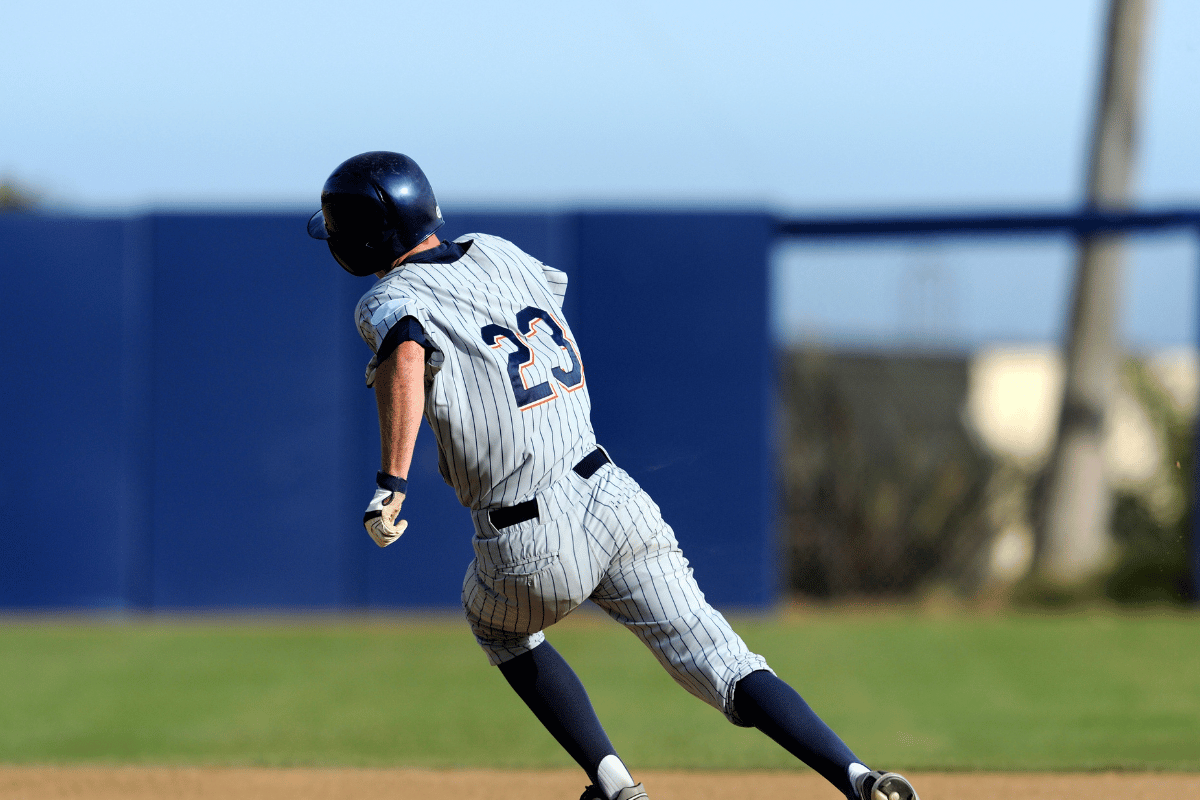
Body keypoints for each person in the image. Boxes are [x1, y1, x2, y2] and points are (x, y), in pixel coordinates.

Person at [307, 151, 920, 800]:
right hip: (613, 496)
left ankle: (614, 783)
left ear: (365, 236)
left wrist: (392, 483)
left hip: (526, 536)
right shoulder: (497, 249)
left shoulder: (390, 296)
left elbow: (405, 347)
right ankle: (857, 775)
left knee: (496, 624)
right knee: (725, 661)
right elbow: (546, 303)